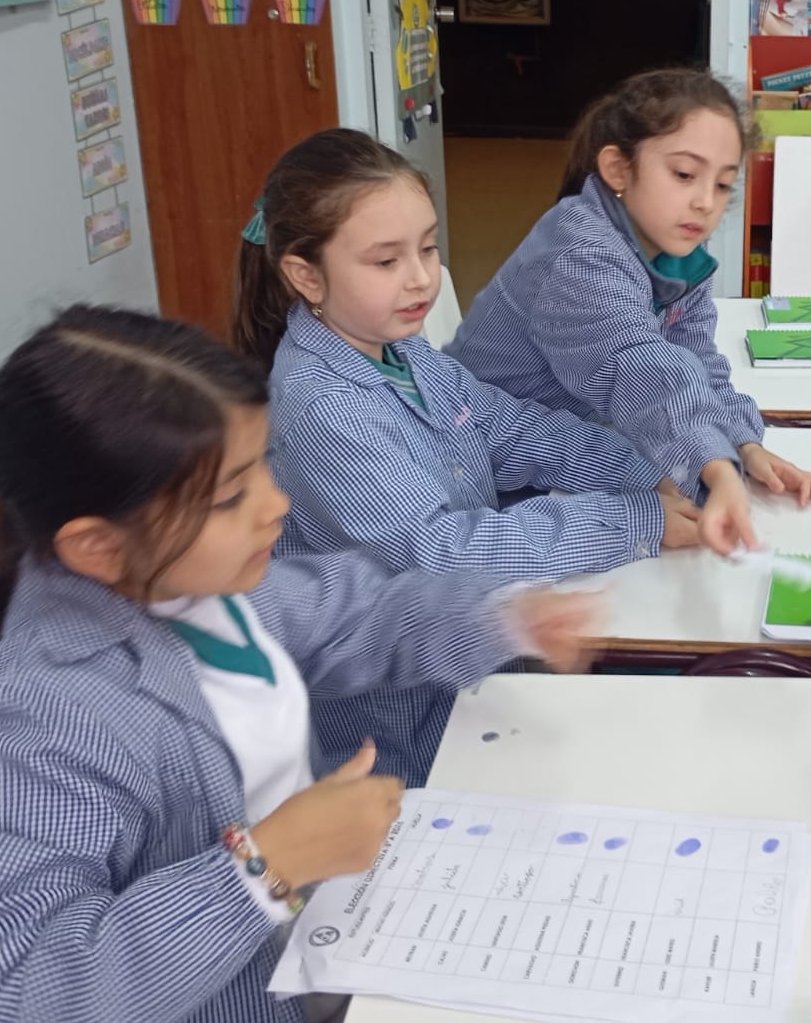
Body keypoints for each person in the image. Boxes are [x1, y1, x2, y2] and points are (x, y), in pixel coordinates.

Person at [0, 305, 598, 1023]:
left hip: (318, 950)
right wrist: (263, 868)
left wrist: (499, 615)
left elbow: (360, 615)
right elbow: (5, 992)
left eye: (263, 465)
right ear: (98, 546)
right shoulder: (50, 720)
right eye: (230, 497)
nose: (275, 504)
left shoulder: (206, 585)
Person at [233, 127, 696, 783]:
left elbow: (512, 431)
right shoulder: (321, 409)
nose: (422, 278)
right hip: (406, 738)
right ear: (306, 275)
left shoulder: (402, 350)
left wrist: (661, 473)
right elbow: (442, 551)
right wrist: (634, 520)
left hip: (480, 668)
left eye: (427, 248)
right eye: (386, 262)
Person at [447, 68, 811, 556]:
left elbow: (695, 359)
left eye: (722, 184)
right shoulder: (578, 254)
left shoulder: (676, 251)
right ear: (617, 169)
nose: (705, 202)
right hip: (492, 477)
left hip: (579, 445)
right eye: (684, 175)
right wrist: (715, 466)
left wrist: (743, 445)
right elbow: (639, 368)